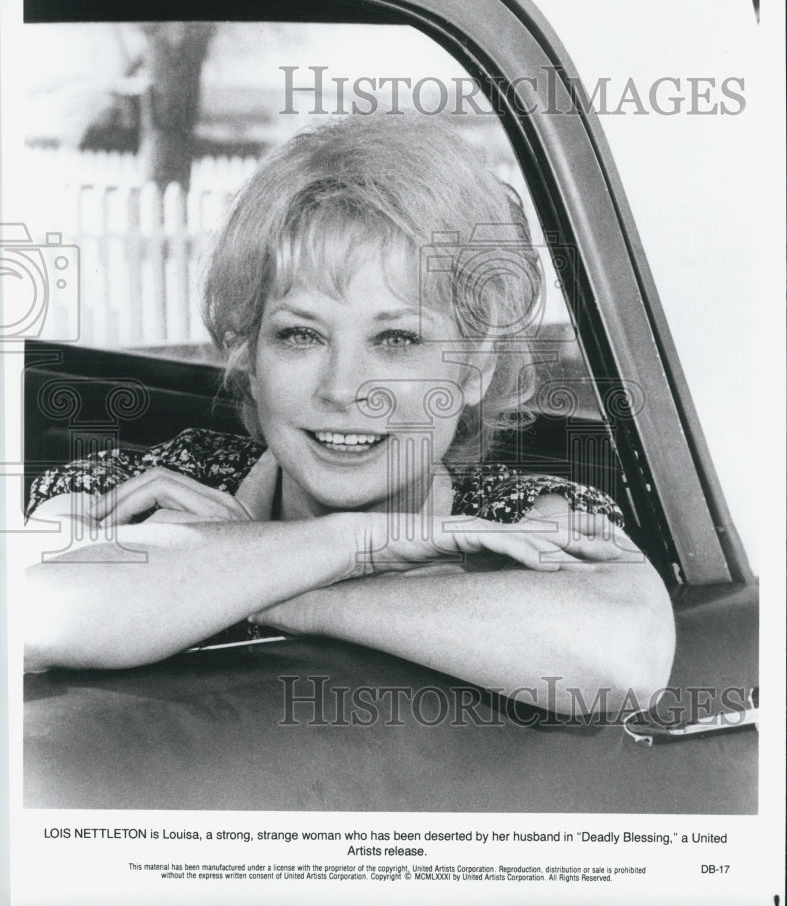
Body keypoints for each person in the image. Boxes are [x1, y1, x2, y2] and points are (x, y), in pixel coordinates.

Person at [25, 115, 674, 715]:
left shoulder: (517, 513)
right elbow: (34, 615)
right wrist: (356, 542)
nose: (343, 388)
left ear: (473, 370)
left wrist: (292, 591)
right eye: (300, 335)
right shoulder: (156, 480)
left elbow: (623, 657)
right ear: (248, 353)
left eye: (397, 340)